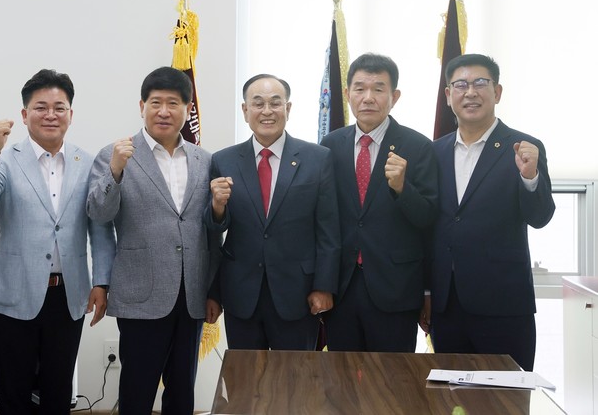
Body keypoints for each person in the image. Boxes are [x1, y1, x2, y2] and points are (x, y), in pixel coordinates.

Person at [0, 69, 115, 414]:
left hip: (68, 294)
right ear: (24, 114)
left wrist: (102, 282)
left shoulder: (86, 162)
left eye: (59, 108)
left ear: (71, 114)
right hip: (13, 293)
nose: (50, 115)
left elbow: (100, 227)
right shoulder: (5, 159)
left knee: (58, 391)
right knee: (13, 391)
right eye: (40, 107)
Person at [86, 66, 217, 415]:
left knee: (182, 389)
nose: (164, 111)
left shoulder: (204, 160)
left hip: (190, 293)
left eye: (173, 103)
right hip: (140, 291)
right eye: (155, 102)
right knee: (137, 389)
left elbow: (207, 228)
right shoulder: (116, 154)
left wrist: (213, 289)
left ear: (188, 109)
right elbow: (99, 214)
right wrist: (115, 171)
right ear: (141, 106)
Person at [423, 53, 556, 371]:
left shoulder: (524, 147)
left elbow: (540, 217)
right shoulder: (434, 152)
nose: (470, 92)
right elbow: (427, 227)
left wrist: (529, 177)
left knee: (507, 394)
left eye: (480, 83)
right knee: (449, 393)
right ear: (448, 95)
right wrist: (426, 291)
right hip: (447, 307)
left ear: (497, 92)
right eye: (461, 85)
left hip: (504, 307)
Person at [207, 74, 341, 351]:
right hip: (241, 294)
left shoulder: (317, 159)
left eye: (275, 103)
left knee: (295, 376)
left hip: (298, 294)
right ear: (245, 110)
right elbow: (214, 232)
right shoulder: (223, 160)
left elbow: (328, 229)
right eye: (258, 103)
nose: (267, 111)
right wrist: (217, 208)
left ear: (287, 109)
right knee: (244, 376)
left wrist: (324, 286)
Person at [320, 53, 438, 352]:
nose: (368, 97)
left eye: (378, 89)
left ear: (394, 97)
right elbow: (323, 218)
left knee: (393, 377)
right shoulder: (330, 146)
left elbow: (428, 219)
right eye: (360, 88)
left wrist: (402, 189)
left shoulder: (419, 146)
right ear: (347, 94)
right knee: (341, 375)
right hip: (342, 287)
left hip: (395, 288)